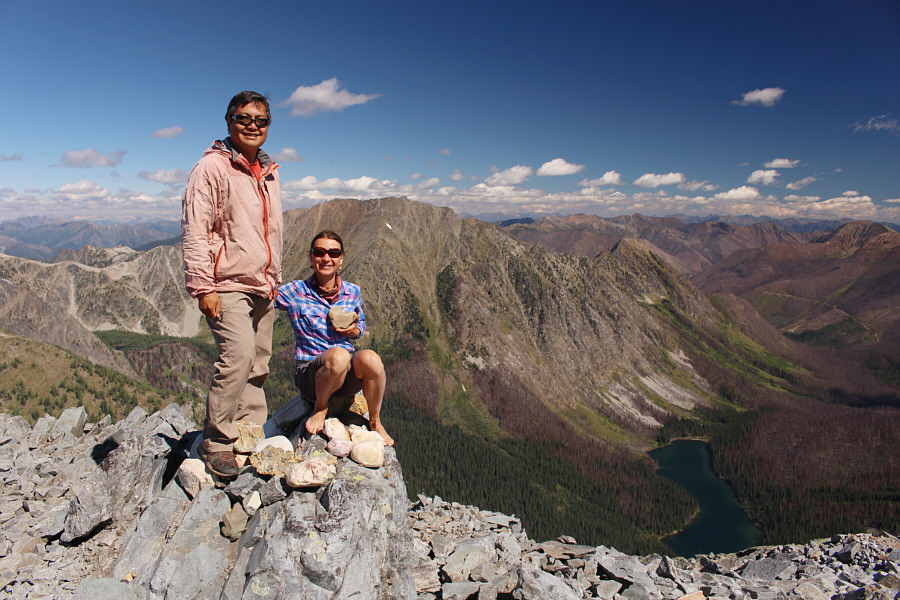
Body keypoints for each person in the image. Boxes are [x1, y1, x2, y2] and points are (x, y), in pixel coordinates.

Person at [181, 91, 283, 477]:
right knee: (237, 357)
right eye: (244, 118)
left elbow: (269, 231)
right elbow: (195, 229)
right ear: (228, 122)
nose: (252, 125)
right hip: (226, 283)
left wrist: (273, 278)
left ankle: (249, 431)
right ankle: (218, 441)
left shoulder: (269, 171)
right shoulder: (211, 168)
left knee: (258, 362)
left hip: (261, 283)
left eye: (260, 120)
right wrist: (203, 287)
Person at [276, 230, 394, 446]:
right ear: (311, 258)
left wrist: (354, 331)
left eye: (333, 253)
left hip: (344, 373)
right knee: (339, 356)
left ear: (341, 259)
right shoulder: (295, 291)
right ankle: (320, 408)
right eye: (319, 252)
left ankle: (375, 421)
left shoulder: (352, 291)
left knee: (371, 359)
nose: (326, 258)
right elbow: (266, 296)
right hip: (311, 374)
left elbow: (361, 324)